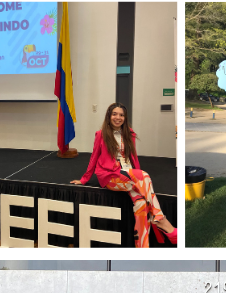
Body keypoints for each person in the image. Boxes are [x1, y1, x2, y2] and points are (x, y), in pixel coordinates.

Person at [71, 102, 177, 247]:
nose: (118, 117)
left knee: (141, 203)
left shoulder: (130, 133)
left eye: (121, 115)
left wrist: (139, 176)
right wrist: (84, 180)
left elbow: (133, 156)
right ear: (109, 116)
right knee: (144, 177)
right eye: (114, 114)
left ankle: (142, 246)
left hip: (128, 174)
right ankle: (160, 219)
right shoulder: (101, 134)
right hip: (111, 176)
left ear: (125, 118)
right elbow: (94, 157)